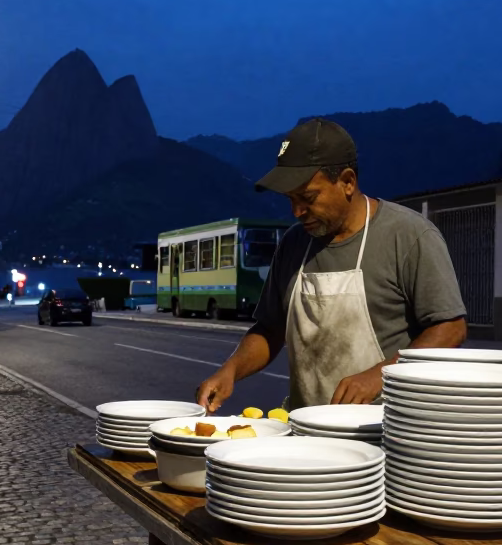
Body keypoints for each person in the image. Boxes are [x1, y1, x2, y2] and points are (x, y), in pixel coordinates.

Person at [197, 118, 467, 412]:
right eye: (290, 199)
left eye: (307, 197)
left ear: (347, 182)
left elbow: (450, 328)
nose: (297, 211)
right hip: (306, 424)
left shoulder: (409, 236)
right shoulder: (293, 244)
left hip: (387, 425)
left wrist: (382, 374)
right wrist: (230, 370)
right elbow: (270, 329)